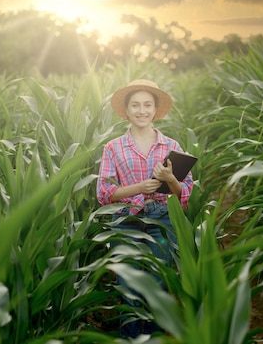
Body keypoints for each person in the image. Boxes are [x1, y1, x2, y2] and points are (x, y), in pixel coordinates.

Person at [96, 79, 194, 338]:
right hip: (126, 220)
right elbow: (104, 194)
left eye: (147, 105)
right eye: (136, 105)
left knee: (157, 286)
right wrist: (139, 187)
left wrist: (170, 178)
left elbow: (185, 193)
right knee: (128, 287)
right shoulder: (113, 147)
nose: (142, 110)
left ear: (155, 109)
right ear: (126, 111)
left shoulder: (171, 146)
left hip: (162, 219)